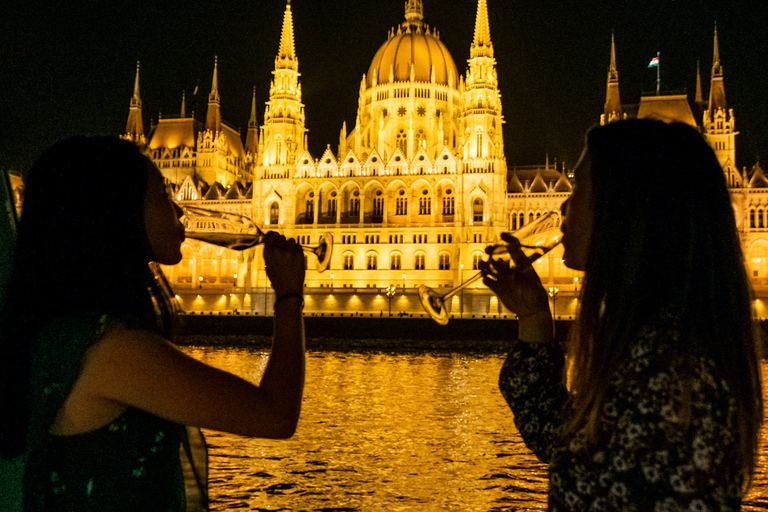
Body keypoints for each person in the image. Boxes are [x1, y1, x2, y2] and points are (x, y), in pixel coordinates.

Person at [0, 136, 306, 511]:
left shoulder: (65, 328)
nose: (179, 209)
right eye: (163, 192)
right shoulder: (111, 348)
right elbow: (275, 415)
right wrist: (289, 296)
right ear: (118, 210)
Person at [481, 119, 763, 510]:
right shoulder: (657, 346)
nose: (563, 204)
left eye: (579, 187)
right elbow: (566, 438)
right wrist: (533, 318)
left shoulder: (670, 378)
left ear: (627, 208)